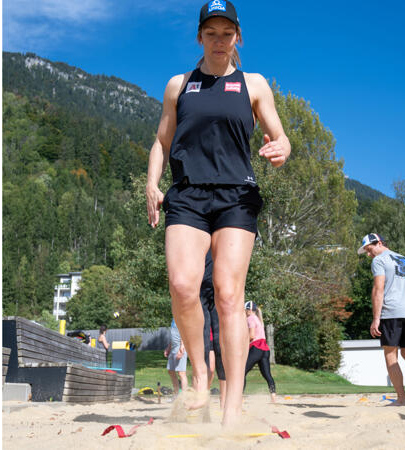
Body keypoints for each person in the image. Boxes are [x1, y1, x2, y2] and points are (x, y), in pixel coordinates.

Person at [144, 0, 290, 426]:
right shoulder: (179, 85)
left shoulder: (255, 84)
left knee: (228, 295)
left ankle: (232, 409)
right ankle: (201, 372)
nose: (219, 40)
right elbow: (161, 142)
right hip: (187, 195)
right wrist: (152, 185)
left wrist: (281, 149)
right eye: (211, 33)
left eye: (227, 33)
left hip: (235, 198)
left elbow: (280, 137)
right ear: (199, 37)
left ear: (237, 37)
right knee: (183, 285)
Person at [359, 233, 405, 408]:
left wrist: (376, 318)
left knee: (390, 356)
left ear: (378, 243)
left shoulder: (379, 261)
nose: (369, 255)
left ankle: (402, 399)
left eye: (369, 250)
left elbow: (379, 290)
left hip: (392, 311)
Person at [201, 249, 227, 408]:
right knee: (203, 349)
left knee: (220, 347)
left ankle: (224, 400)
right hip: (201, 290)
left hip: (218, 289)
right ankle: (202, 394)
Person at [242, 301, 276, 403]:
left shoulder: (250, 318)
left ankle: (240, 397)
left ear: (248, 310)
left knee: (241, 372)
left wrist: (243, 342)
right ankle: (273, 398)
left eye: (244, 309)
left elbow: (252, 336)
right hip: (265, 349)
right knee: (267, 375)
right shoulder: (258, 319)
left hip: (256, 348)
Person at [164, 317, 189, 395]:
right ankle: (176, 394)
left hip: (180, 347)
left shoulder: (181, 316)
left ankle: (184, 397)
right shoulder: (174, 318)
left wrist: (182, 347)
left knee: (181, 373)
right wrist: (168, 348)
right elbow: (173, 336)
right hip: (173, 348)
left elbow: (184, 332)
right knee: (170, 371)